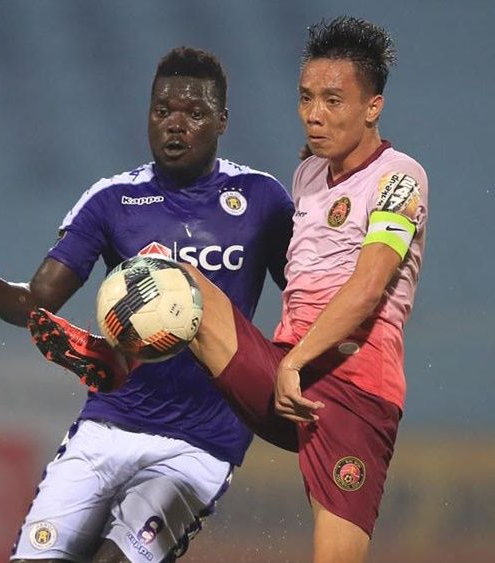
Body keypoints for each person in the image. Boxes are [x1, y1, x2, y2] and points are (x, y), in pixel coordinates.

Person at [30, 17, 426, 563]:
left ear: (373, 107)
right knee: (179, 279)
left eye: (333, 101)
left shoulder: (401, 178)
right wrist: (286, 361)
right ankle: (117, 356)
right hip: (283, 371)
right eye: (306, 97)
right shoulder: (309, 175)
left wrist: (295, 362)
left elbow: (364, 291)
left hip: (350, 394)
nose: (314, 114)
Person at [0, 47, 295, 563]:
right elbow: (38, 302)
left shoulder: (261, 199)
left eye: (194, 114)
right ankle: (111, 356)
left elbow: (305, 298)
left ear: (221, 121)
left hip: (201, 443)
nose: (175, 125)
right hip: (109, 425)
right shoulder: (112, 200)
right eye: (162, 111)